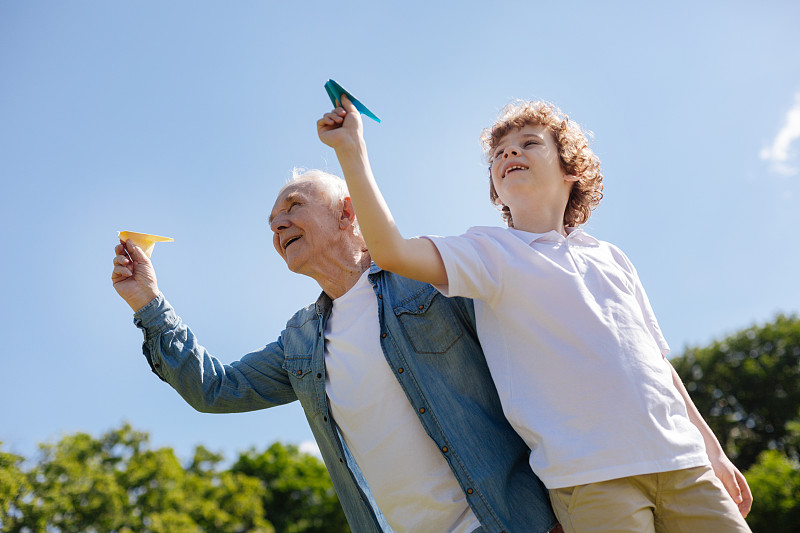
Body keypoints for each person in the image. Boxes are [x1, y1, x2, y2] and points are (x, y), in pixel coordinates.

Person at [317, 96, 753, 532]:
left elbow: (658, 365)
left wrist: (712, 450)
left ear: (570, 171)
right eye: (499, 153)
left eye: (529, 143)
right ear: (495, 187)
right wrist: (351, 151)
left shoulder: (612, 257)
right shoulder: (489, 253)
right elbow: (392, 251)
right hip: (588, 480)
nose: (509, 152)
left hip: (684, 462)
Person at [111, 169, 558, 533]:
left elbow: (531, 360)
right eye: (272, 223)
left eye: (293, 207)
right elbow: (214, 390)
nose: (278, 225)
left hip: (510, 521)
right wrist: (148, 303)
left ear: (348, 213)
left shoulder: (426, 275)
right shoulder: (300, 341)